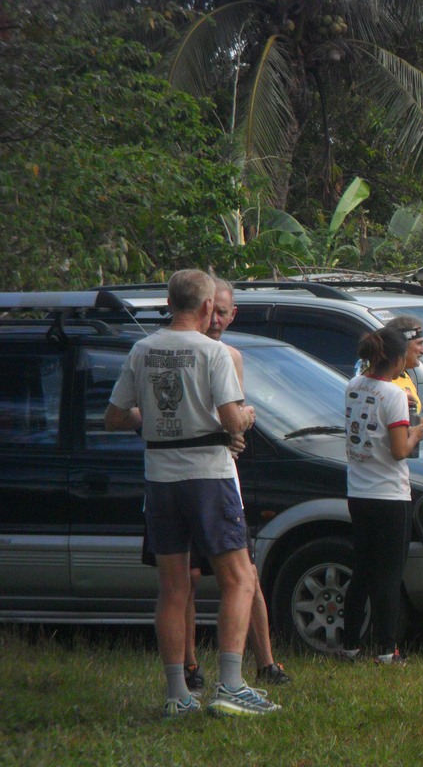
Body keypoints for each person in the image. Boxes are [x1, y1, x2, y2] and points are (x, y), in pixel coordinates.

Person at [104, 269, 279, 718]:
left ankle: (178, 693)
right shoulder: (213, 352)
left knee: (173, 587)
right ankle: (231, 685)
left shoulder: (142, 350)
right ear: (205, 307)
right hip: (207, 474)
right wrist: (248, 415)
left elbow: (115, 417)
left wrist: (154, 417)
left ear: (169, 302)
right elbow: (232, 420)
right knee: (239, 579)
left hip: (159, 477)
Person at [182, 278, 292, 693]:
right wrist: (234, 425)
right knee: (187, 577)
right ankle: (190, 666)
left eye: (223, 313)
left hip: (222, 476)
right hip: (185, 475)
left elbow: (236, 416)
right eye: (212, 311)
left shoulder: (230, 357)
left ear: (232, 315)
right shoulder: (180, 352)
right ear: (202, 307)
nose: (216, 320)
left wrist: (238, 433)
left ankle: (266, 662)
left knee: (246, 574)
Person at [342, 326, 423, 664]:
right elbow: (400, 450)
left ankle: (350, 644)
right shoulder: (394, 395)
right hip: (390, 495)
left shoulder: (353, 385)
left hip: (358, 490)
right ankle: (386, 649)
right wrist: (416, 432)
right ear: (397, 359)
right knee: (389, 574)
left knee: (362, 570)